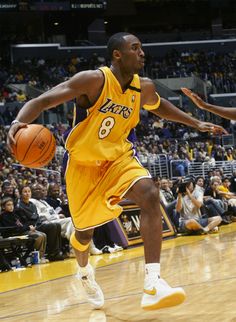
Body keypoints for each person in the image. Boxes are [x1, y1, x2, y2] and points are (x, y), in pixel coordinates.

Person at [8, 32, 226, 311]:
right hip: (83, 166)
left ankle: (153, 283)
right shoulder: (93, 80)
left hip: (118, 159)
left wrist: (196, 123)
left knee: (149, 193)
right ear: (117, 54)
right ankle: (84, 271)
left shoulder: (142, 87)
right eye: (135, 48)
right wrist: (18, 121)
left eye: (142, 48)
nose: (142, 52)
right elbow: (42, 101)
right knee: (84, 234)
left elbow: (160, 106)